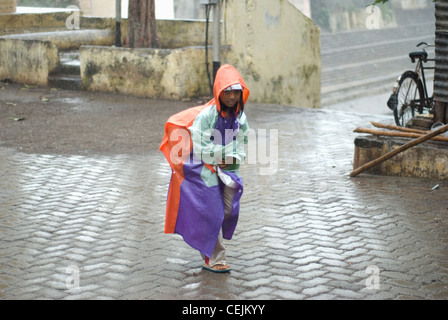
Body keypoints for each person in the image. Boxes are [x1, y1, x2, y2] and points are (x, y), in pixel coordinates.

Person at [159, 64, 250, 273]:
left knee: (227, 210)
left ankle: (208, 244)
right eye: (227, 91)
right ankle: (214, 256)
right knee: (212, 211)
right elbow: (200, 145)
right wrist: (220, 156)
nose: (232, 96)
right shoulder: (206, 117)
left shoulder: (240, 119)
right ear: (218, 91)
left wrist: (233, 157)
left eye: (236, 91)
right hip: (204, 168)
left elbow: (241, 143)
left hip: (228, 170)